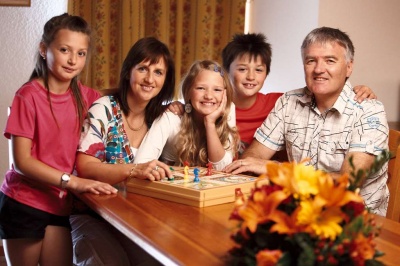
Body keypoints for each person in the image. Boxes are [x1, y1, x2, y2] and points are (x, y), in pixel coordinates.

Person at [223, 27, 389, 216]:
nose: (319, 69)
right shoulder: (288, 102)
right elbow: (251, 160)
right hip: (297, 216)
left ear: (349, 67)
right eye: (311, 61)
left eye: (330, 60)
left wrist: (278, 169)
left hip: (357, 221)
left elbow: (348, 182)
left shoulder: (369, 111)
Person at [0, 13, 117, 266]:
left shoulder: (88, 97)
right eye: (65, 50)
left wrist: (173, 106)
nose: (73, 60)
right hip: (23, 202)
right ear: (44, 49)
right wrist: (73, 182)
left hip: (58, 204)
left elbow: (123, 97)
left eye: (81, 53)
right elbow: (21, 162)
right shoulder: (28, 96)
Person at [169, 33, 377, 155]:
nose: (251, 76)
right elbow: (187, 108)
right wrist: (175, 106)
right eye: (242, 69)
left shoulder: (280, 103)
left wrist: (358, 90)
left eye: (258, 70)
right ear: (225, 72)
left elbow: (320, 91)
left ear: (267, 73)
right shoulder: (208, 103)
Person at [71, 36, 176, 265]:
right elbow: (85, 166)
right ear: (129, 71)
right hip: (92, 215)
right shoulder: (104, 108)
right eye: (143, 69)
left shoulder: (161, 120)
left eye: (158, 72)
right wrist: (135, 170)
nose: (150, 79)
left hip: (136, 218)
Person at [134, 60, 240, 170]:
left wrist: (210, 123)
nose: (209, 96)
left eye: (217, 90)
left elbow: (222, 169)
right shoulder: (171, 118)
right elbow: (141, 164)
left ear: (225, 95)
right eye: (201, 88)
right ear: (188, 92)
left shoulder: (228, 110)